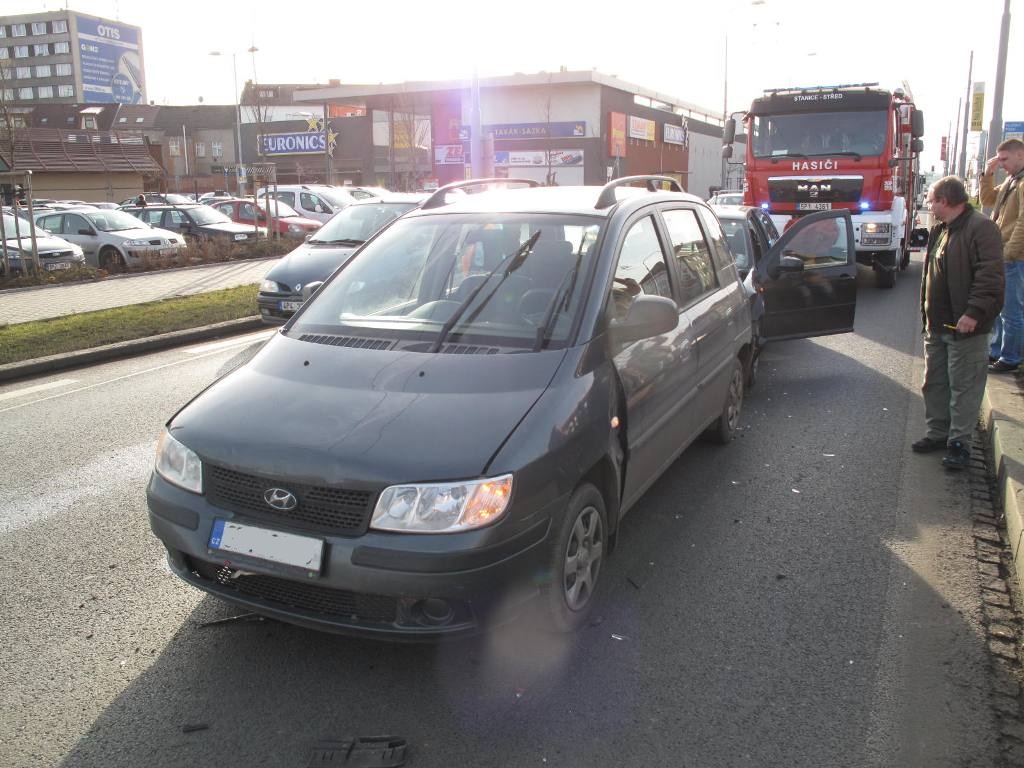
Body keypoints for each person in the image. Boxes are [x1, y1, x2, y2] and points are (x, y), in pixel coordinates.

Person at [914, 176, 1004, 470]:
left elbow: (990, 276)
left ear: (945, 201)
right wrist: (926, 315)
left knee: (964, 387)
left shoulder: (981, 228)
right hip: (938, 325)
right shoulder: (941, 229)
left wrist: (974, 313)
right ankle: (938, 433)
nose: (929, 206)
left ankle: (959, 443)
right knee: (935, 383)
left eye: (931, 200)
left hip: (965, 327)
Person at [980, 138, 1024, 373]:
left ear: (1021, 155)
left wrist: (1008, 254)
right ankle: (997, 351)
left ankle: (1010, 357)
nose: (1002, 164)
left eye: (1005, 159)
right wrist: (987, 173)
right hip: (1004, 254)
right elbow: (987, 200)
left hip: (1014, 257)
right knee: (1000, 308)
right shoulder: (1012, 180)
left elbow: (1022, 224)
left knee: (1011, 311)